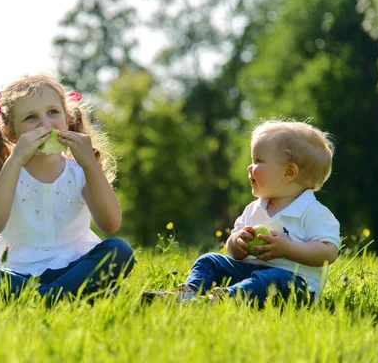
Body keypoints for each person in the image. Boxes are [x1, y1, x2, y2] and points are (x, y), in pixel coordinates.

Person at [0, 73, 135, 302]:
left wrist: (89, 163)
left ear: (67, 118)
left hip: (73, 268)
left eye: (53, 112)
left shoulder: (80, 171)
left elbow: (110, 224)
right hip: (18, 272)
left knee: (120, 250)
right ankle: (64, 298)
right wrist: (15, 160)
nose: (45, 124)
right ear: (11, 133)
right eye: (31, 117)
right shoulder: (4, 173)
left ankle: (40, 299)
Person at [144, 120, 340, 307]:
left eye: (258, 160)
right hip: (250, 274)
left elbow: (328, 252)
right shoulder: (254, 208)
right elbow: (232, 251)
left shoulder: (313, 212)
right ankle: (188, 295)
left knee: (270, 278)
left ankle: (221, 300)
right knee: (209, 261)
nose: (249, 167)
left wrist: (288, 248)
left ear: (289, 172)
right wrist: (238, 242)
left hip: (295, 285)